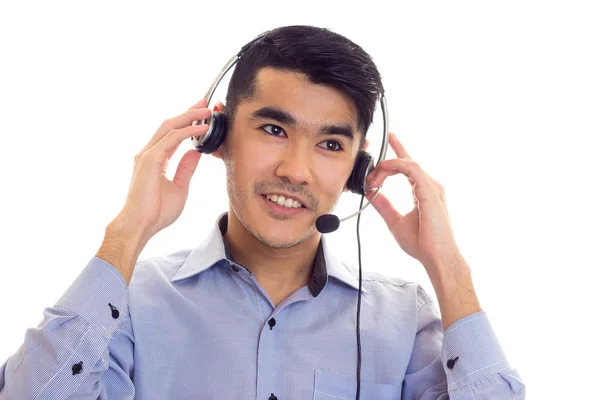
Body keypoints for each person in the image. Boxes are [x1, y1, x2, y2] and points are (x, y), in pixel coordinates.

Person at [0, 25, 526, 399]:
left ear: (359, 170)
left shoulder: (407, 321)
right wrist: (127, 233)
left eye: (330, 145)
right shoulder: (129, 304)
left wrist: (449, 268)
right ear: (217, 135)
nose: (296, 171)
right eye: (274, 130)